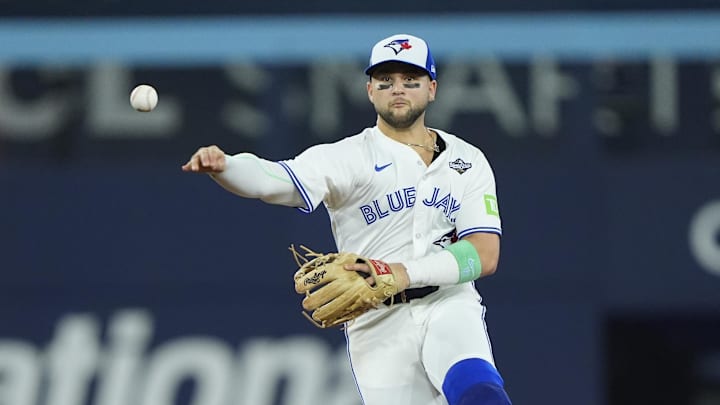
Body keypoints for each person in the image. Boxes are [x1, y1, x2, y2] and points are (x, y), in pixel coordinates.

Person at [182, 33, 511, 405]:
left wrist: (400, 273)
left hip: (448, 302)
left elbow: (485, 255)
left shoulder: (467, 160)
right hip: (376, 323)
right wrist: (227, 166)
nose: (397, 89)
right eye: (385, 81)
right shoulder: (348, 157)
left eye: (410, 81)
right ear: (370, 90)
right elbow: (274, 180)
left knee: (480, 393)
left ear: (432, 88)